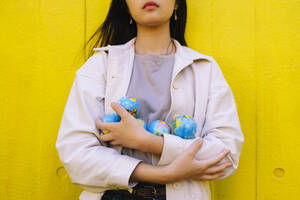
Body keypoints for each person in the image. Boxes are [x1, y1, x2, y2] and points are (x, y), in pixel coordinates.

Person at [55, 0, 244, 200]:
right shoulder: (100, 66)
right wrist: (165, 174)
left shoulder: (205, 69)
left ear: (177, 3)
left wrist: (149, 142)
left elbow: (226, 154)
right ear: (125, 5)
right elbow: (76, 155)